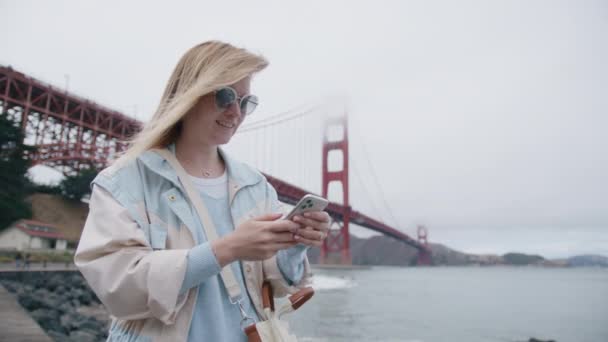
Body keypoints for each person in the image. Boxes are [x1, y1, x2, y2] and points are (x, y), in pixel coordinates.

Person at [74, 41, 330, 341]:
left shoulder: (256, 185)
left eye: (246, 102)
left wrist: (296, 244)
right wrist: (226, 249)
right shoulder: (124, 181)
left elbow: (276, 284)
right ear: (189, 95)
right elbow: (117, 286)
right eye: (225, 96)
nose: (236, 112)